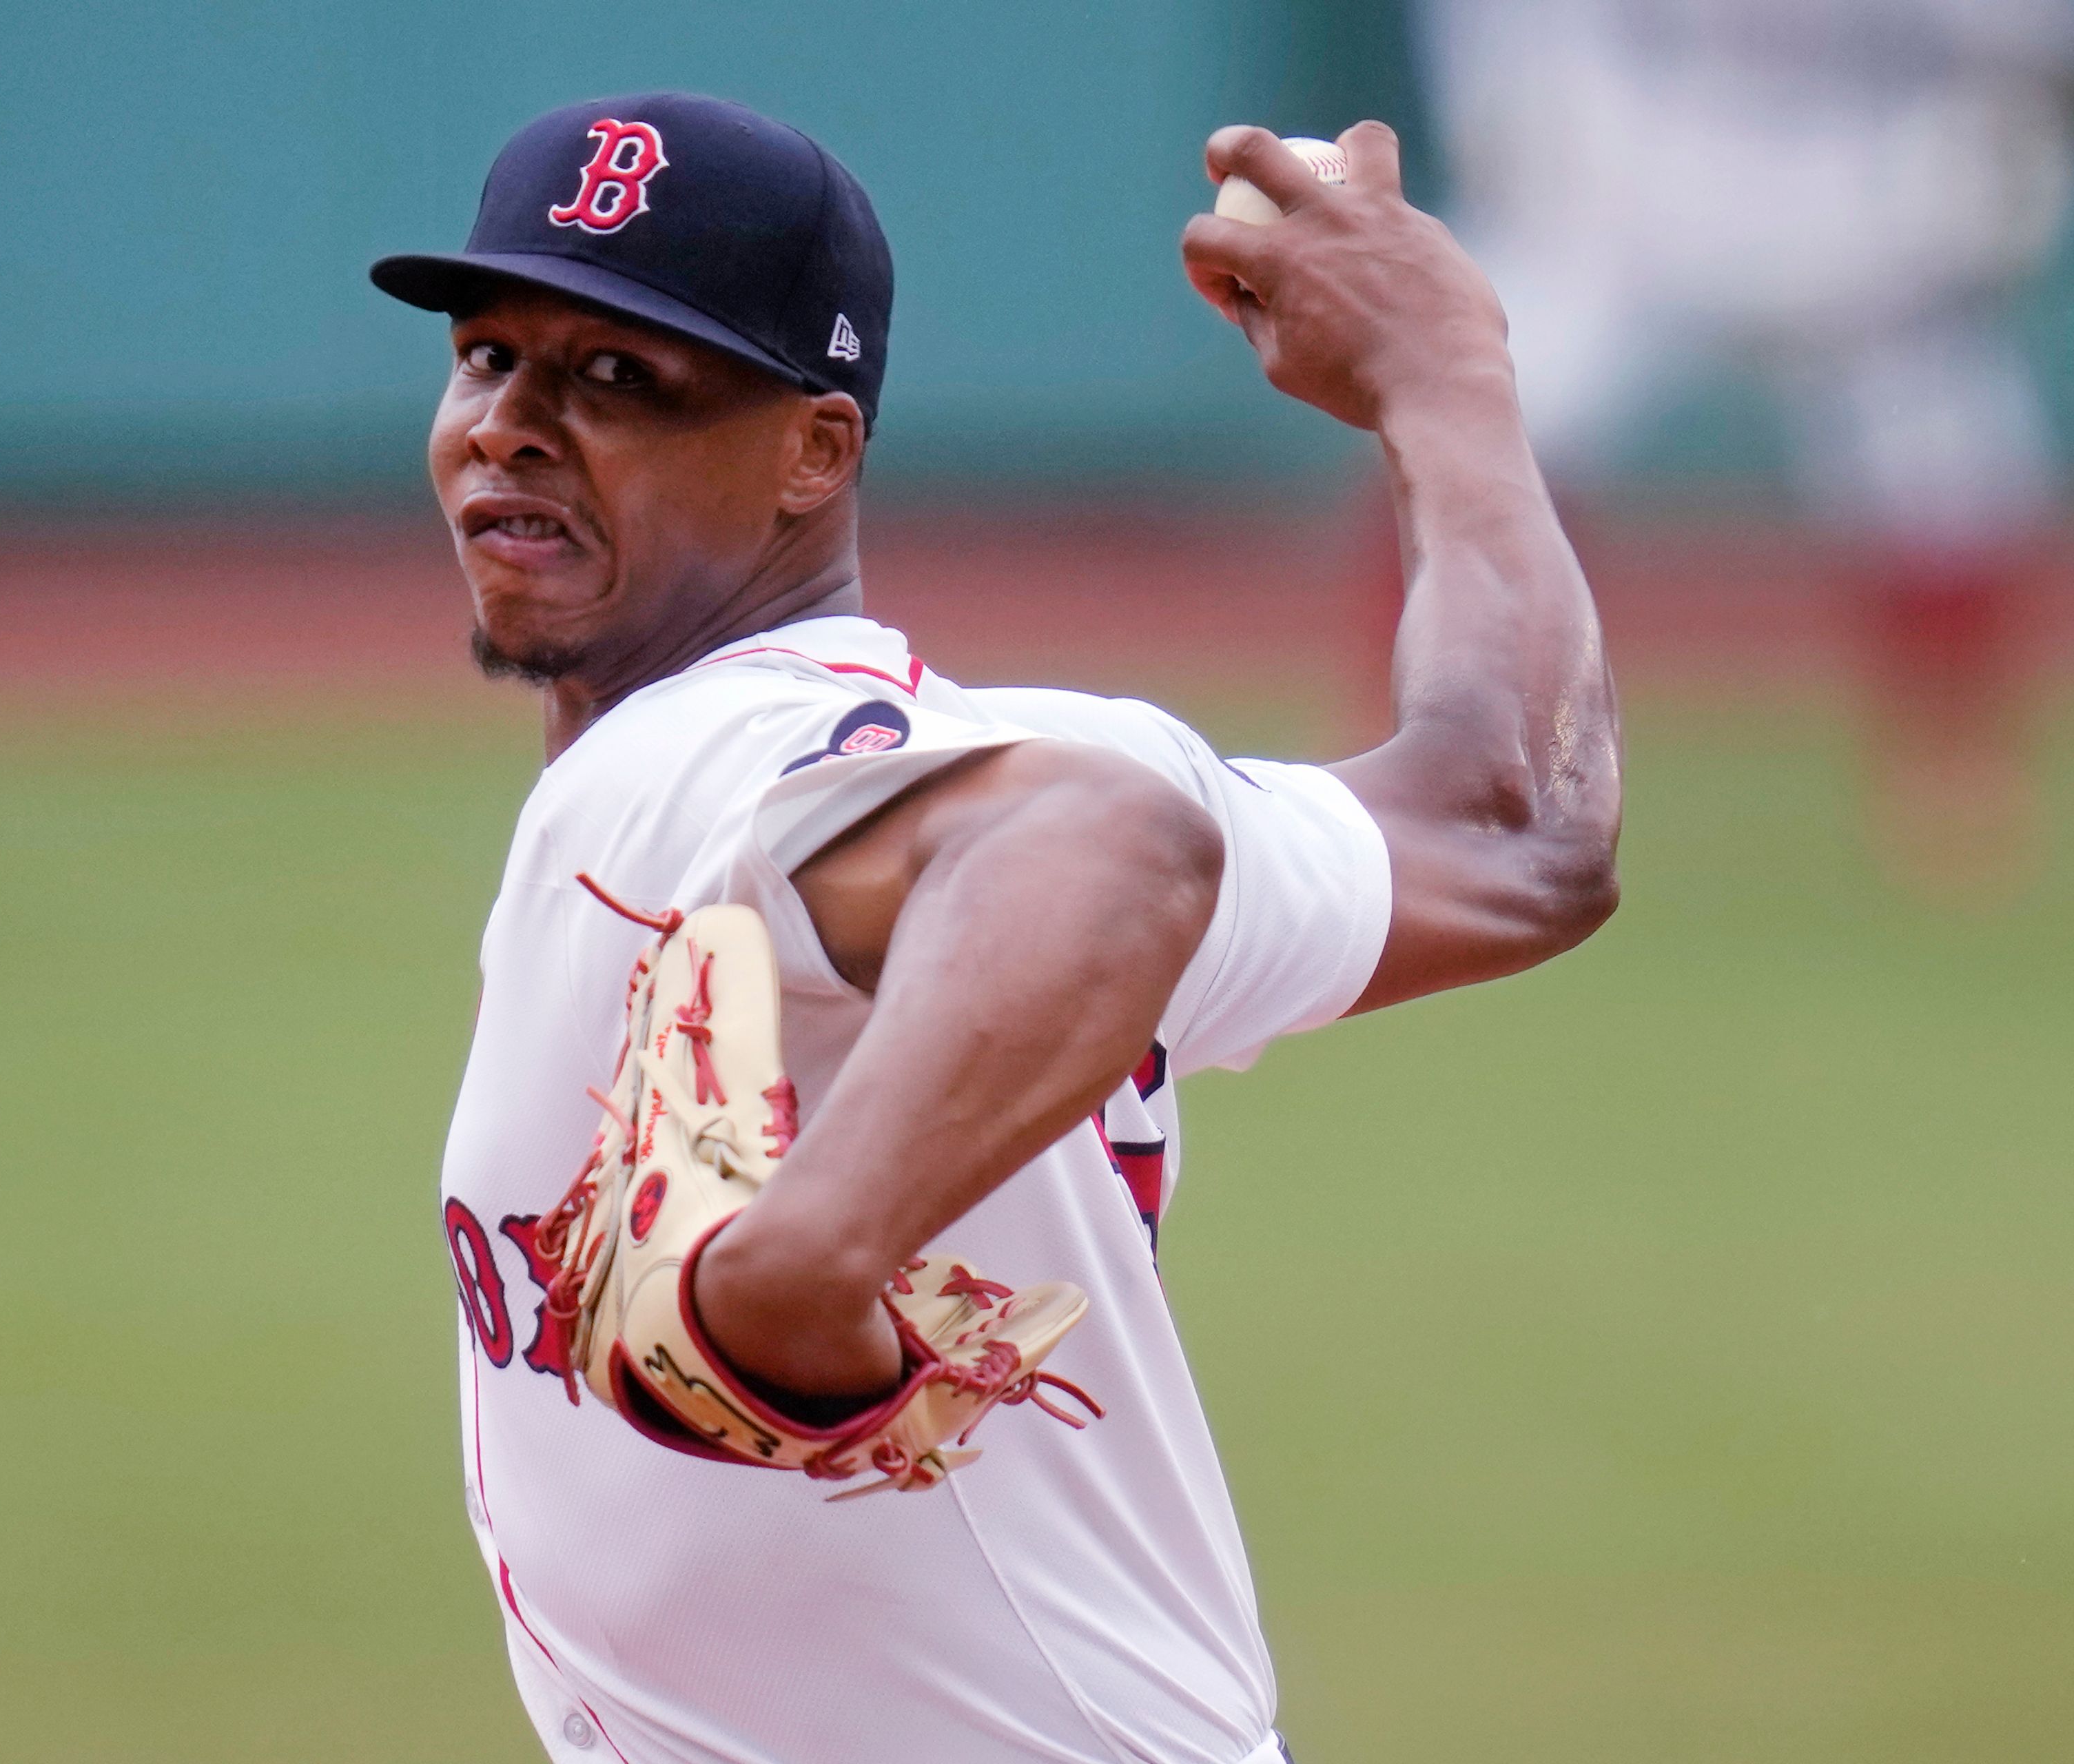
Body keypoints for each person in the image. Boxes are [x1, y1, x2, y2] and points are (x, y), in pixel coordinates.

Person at [374, 93, 1621, 1764]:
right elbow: (1516, 825)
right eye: (486, 357)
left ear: (817, 451)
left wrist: (803, 1262)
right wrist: (1448, 385)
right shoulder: (882, 775)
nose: (507, 426)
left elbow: (1106, 839)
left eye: (618, 379)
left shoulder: (708, 763)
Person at [1413, 0, 2072, 894]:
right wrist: (1586, 181)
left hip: (1870, 208)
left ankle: (1950, 774)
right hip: (1629, 196)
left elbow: (2021, 73)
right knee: (1489, 401)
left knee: (1950, 452)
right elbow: (1512, 66)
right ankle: (1428, 746)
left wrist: (1963, 195)